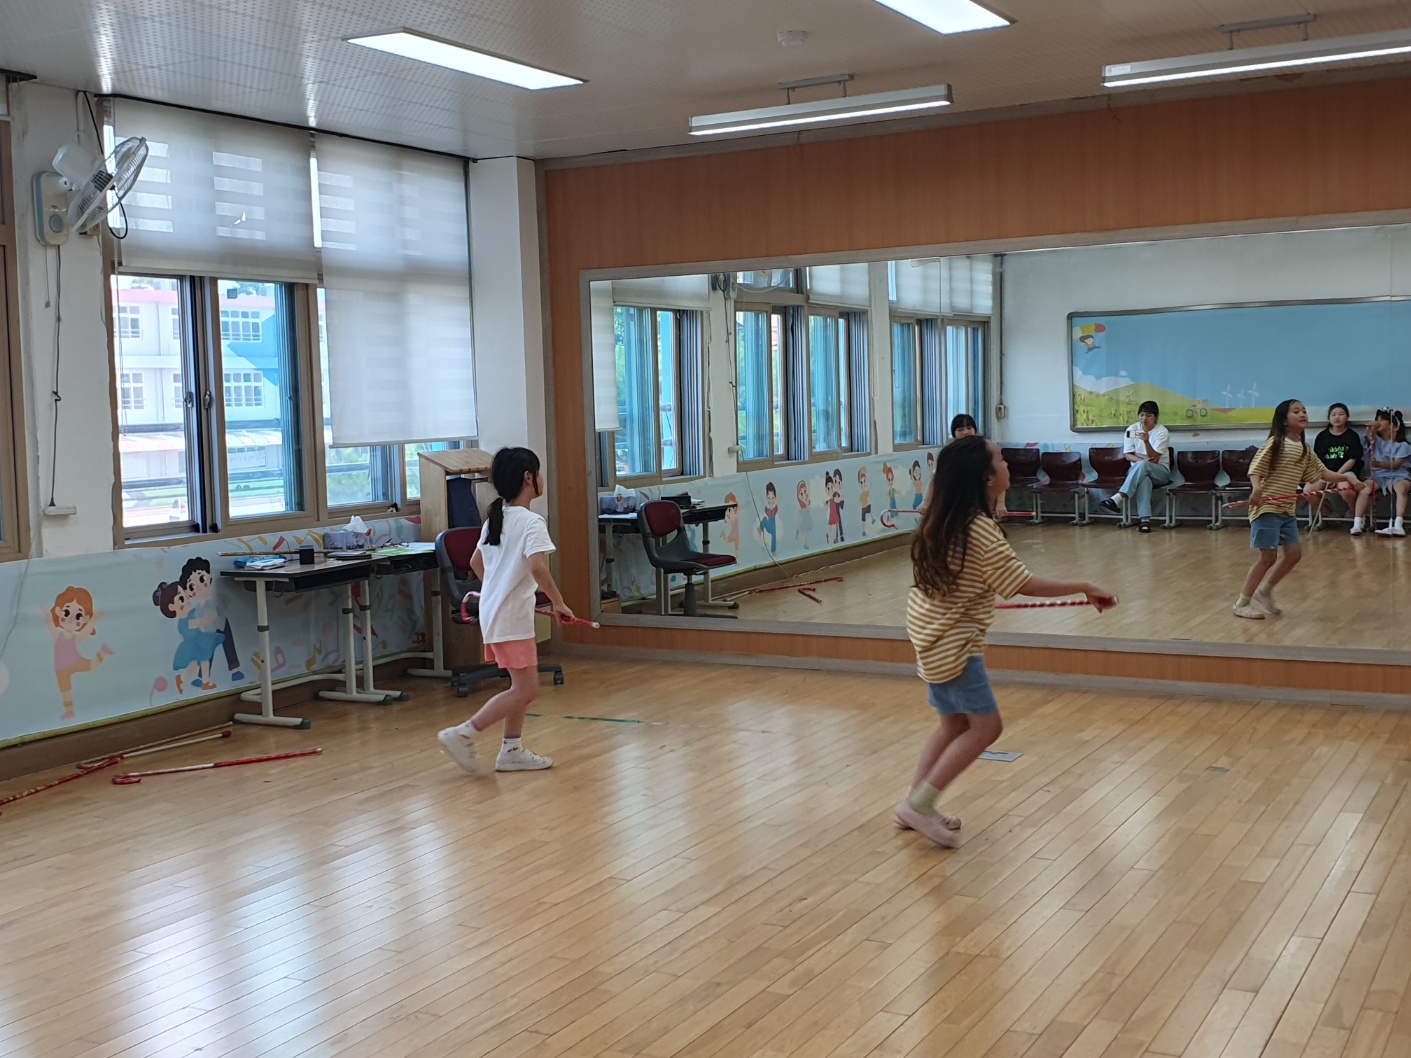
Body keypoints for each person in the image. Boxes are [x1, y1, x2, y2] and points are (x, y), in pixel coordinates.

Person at [900, 437, 1117, 848]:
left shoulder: (948, 520)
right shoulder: (978, 530)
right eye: (1000, 459)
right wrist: (1085, 585)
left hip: (932, 638)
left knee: (954, 725)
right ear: (986, 478)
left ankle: (915, 801)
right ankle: (920, 804)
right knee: (987, 728)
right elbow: (1021, 583)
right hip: (954, 645)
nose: (1008, 463)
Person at [438, 447, 573, 774]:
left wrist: (498, 589)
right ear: (529, 478)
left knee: (519, 687)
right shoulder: (531, 521)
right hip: (510, 617)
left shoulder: (495, 519)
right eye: (538, 472)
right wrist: (558, 602)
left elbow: (476, 563)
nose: (541, 478)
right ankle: (463, 733)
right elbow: (537, 567)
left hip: (497, 613)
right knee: (527, 689)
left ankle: (512, 749)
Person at [1233, 400, 1351, 619]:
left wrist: (1348, 479)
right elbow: (1255, 469)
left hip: (1287, 511)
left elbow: (1323, 473)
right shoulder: (1275, 443)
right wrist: (1257, 489)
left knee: (1294, 555)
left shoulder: (1305, 449)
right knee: (1268, 557)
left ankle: (1265, 591)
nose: (1303, 414)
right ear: (1284, 420)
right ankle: (1242, 603)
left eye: (1304, 411)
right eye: (1296, 411)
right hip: (1267, 508)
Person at [1097, 400, 1170, 532]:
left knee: (1144, 466)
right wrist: (1141, 462)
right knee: (1144, 479)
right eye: (1142, 415)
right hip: (1138, 471)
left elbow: (1154, 460)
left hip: (1160, 471)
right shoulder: (1132, 429)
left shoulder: (1162, 432)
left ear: (1155, 417)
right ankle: (1144, 521)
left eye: (1148, 415)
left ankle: (1118, 497)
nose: (1144, 418)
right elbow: (1128, 455)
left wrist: (1146, 442)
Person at [1310, 402, 1369, 531]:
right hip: (1325, 472)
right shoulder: (1322, 436)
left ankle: (1353, 512)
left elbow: (1353, 459)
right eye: (1333, 415)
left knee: (1346, 490)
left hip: (1346, 472)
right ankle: (1329, 514)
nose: (1337, 417)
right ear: (1329, 418)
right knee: (1308, 491)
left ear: (1347, 417)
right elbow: (1317, 460)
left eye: (1341, 414)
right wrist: (1328, 475)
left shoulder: (1352, 436)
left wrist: (1336, 476)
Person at [1362, 407, 1411, 537]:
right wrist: (1373, 426)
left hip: (1399, 475)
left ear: (1395, 427)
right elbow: (1370, 433)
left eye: (1382, 420)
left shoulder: (1404, 446)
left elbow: (1396, 465)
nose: (1379, 423)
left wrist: (1378, 464)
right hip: (1379, 476)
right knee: (1364, 488)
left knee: (1401, 489)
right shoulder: (1376, 441)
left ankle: (1398, 525)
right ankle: (1357, 523)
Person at [949, 413, 1007, 518]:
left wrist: (1000, 503)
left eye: (969, 428)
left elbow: (999, 478)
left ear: (975, 430)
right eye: (960, 430)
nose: (965, 432)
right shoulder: (949, 455)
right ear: (954, 434)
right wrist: (926, 503)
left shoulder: (986, 451)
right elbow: (936, 480)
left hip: (983, 502)